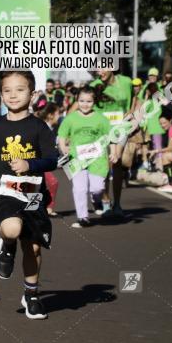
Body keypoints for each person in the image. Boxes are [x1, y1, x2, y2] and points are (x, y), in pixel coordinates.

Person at [0, 71, 59, 320]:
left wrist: (31, 165)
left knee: (33, 248)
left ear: (32, 94)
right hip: (5, 191)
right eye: (7, 90)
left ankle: (31, 294)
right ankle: (7, 245)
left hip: (33, 194)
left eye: (20, 90)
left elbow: (52, 160)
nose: (13, 95)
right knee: (11, 229)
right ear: (1, 95)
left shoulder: (40, 127)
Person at [57, 87, 112, 228]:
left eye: (88, 101)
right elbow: (62, 134)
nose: (85, 104)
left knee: (97, 188)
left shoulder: (101, 118)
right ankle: (83, 217)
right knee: (79, 188)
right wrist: (63, 147)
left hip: (98, 158)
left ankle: (96, 199)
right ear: (77, 101)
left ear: (94, 102)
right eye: (81, 101)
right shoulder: (71, 118)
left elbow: (111, 136)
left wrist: (115, 152)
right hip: (76, 158)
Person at [90, 68, 134, 218]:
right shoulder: (95, 85)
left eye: (102, 67)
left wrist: (132, 115)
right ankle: (106, 202)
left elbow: (133, 100)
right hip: (102, 130)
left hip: (120, 128)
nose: (98, 71)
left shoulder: (126, 82)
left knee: (117, 163)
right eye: (97, 68)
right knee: (105, 166)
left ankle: (117, 204)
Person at [35, 102, 61, 217]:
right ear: (50, 115)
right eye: (58, 113)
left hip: (41, 162)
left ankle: (43, 209)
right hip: (36, 162)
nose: (59, 116)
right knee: (47, 183)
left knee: (40, 185)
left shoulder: (50, 128)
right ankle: (41, 209)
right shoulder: (42, 127)